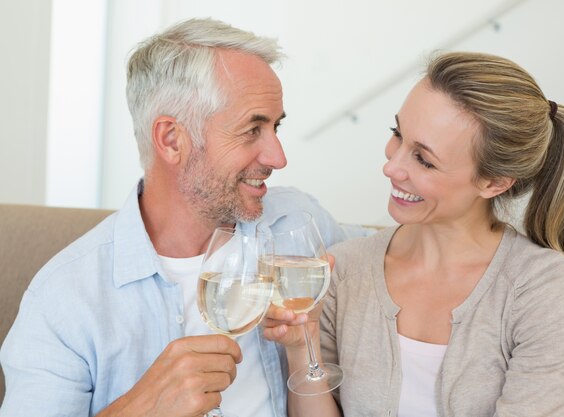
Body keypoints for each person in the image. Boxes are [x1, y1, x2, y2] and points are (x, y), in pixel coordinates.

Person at [0, 17, 346, 417]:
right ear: (170, 139)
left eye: (275, 126)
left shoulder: (296, 224)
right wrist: (142, 407)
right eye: (252, 130)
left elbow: (394, 258)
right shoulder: (65, 299)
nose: (278, 157)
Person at [265, 51, 564, 417]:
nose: (391, 166)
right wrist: (302, 346)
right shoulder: (345, 269)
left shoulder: (545, 290)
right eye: (397, 134)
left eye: (424, 159)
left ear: (494, 182)